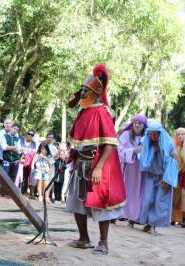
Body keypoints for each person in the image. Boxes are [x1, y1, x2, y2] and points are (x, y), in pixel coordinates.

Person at [66, 64, 126, 255]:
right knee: (76, 203)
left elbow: (110, 143)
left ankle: (103, 242)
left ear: (95, 92)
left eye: (86, 90)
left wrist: (99, 168)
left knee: (101, 205)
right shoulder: (83, 112)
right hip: (80, 164)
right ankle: (84, 239)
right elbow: (78, 141)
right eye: (82, 90)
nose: (82, 93)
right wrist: (71, 155)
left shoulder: (102, 112)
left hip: (96, 165)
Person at [138, 121, 178, 234]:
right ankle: (147, 222)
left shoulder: (169, 144)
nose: (152, 136)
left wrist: (167, 180)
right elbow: (141, 156)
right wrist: (150, 150)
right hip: (150, 176)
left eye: (155, 134)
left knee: (159, 201)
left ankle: (153, 225)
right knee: (148, 199)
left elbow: (173, 162)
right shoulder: (146, 142)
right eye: (150, 134)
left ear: (160, 134)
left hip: (163, 178)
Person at [118, 114, 147, 226]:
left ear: (144, 125)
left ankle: (135, 217)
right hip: (128, 168)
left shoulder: (147, 137)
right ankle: (123, 214)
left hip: (142, 169)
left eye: (140, 123)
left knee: (139, 192)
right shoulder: (125, 135)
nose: (137, 125)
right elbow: (120, 150)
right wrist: (133, 151)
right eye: (135, 123)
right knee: (127, 191)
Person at [171, 127, 185, 225]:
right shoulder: (173, 146)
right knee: (174, 197)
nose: (181, 136)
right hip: (174, 174)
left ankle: (184, 219)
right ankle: (173, 218)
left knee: (184, 197)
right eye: (178, 134)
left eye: (183, 134)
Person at [17, 129, 37, 195]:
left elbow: (33, 154)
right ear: (26, 134)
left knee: (25, 178)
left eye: (32, 135)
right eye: (29, 134)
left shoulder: (34, 144)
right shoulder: (21, 140)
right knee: (18, 177)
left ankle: (22, 192)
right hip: (19, 162)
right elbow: (18, 150)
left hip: (28, 164)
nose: (30, 136)